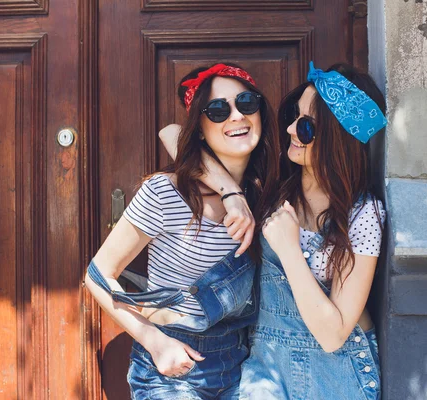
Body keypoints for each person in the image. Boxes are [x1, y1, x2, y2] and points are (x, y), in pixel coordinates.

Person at [159, 61, 387, 399]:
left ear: (339, 138)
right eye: (292, 117)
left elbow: (333, 334)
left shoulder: (362, 214)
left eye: (307, 127)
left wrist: (290, 249)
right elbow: (171, 133)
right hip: (266, 371)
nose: (292, 130)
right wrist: (231, 193)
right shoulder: (271, 189)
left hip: (338, 374)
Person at [85, 63, 279, 399]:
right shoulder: (166, 192)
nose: (236, 116)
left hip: (244, 364)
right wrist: (155, 342)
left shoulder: (269, 193)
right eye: (218, 110)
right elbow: (97, 275)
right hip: (172, 369)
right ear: (200, 129)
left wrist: (234, 193)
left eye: (246, 103)